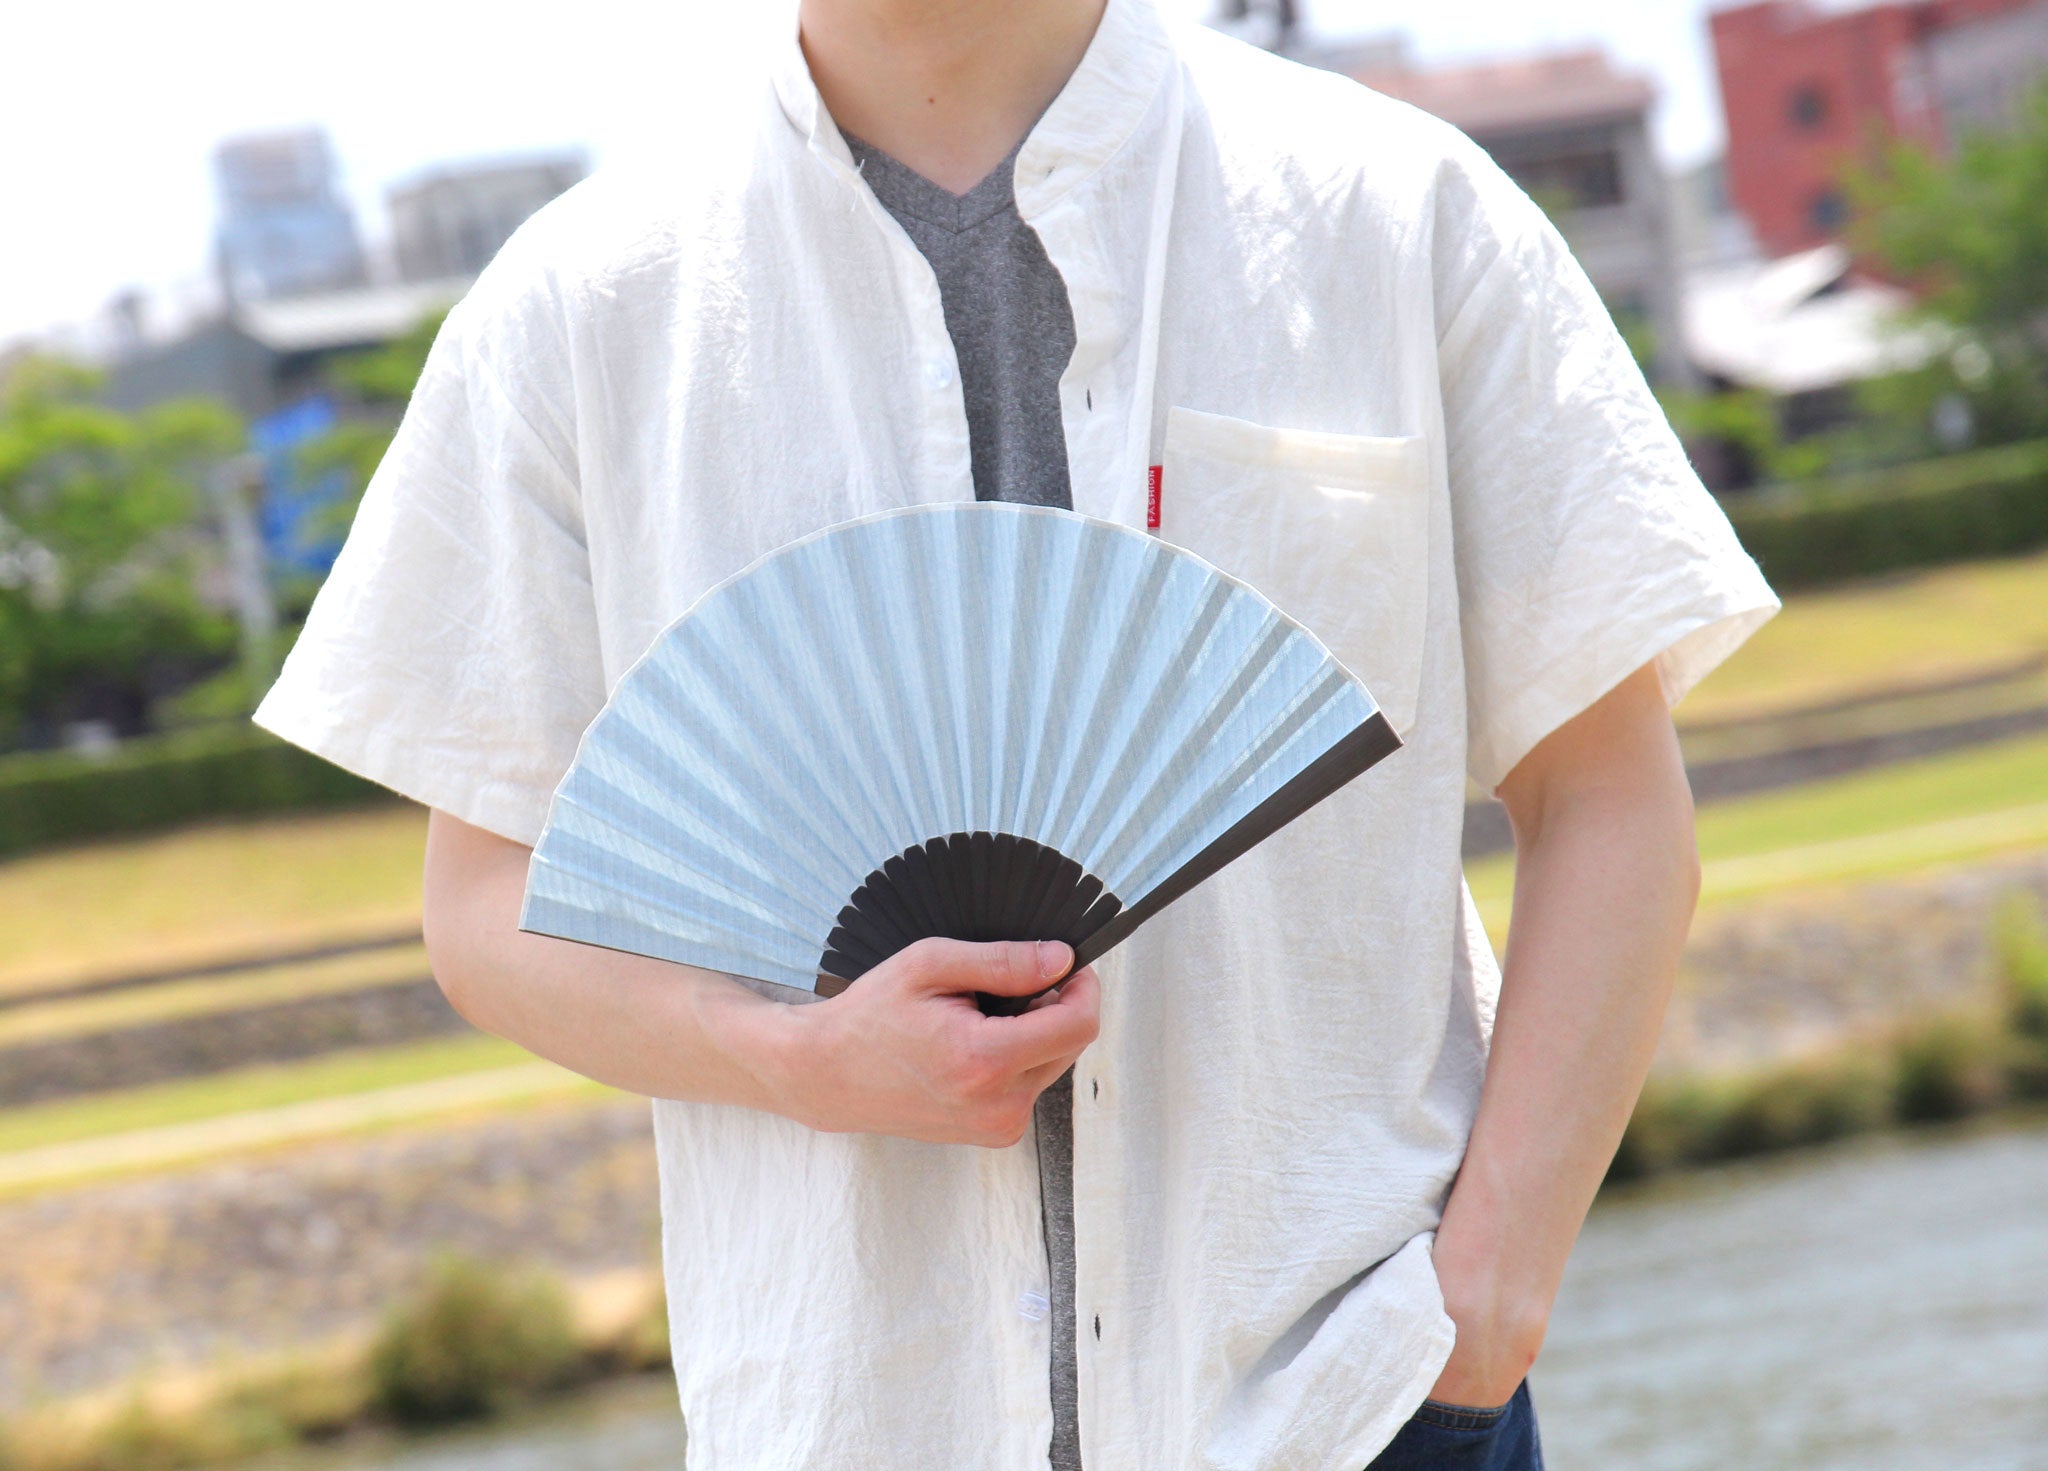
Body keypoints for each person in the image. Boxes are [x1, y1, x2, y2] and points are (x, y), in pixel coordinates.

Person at [251, 0, 1780, 1466]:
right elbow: (486, 906)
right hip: (850, 1427)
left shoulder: (1394, 214)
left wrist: (1485, 1304)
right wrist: (793, 1058)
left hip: (1349, 1410)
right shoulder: (575, 313)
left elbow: (1607, 801)